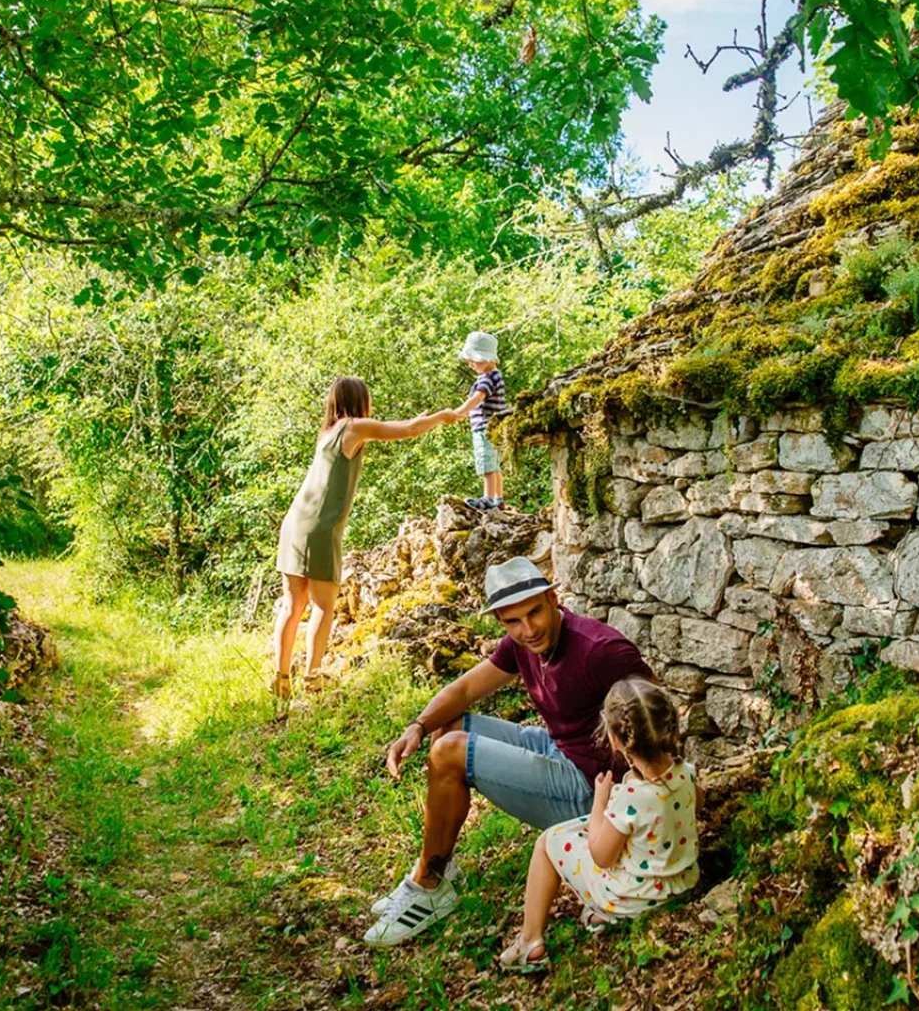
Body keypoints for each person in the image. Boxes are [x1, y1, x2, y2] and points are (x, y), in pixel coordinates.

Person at [364, 556, 654, 946]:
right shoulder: (521, 644)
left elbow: (656, 713)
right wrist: (417, 726)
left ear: (553, 599)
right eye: (512, 621)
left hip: (595, 791)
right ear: (500, 621)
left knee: (451, 750)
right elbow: (465, 690)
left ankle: (428, 889)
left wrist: (650, 801)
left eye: (534, 612)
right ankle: (438, 867)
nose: (528, 629)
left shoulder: (600, 651)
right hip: (560, 750)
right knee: (447, 725)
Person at [273, 377, 459, 700]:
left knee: (293, 605)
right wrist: (441, 416)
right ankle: (313, 680)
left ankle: (280, 679)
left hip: (294, 523)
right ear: (359, 401)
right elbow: (409, 429)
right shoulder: (353, 427)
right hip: (319, 527)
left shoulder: (328, 433)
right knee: (323, 606)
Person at [498, 677, 699, 972]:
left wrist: (600, 803)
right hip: (683, 882)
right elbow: (693, 809)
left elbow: (601, 856)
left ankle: (530, 942)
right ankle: (599, 916)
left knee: (549, 841)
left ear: (616, 740)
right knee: (585, 832)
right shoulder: (687, 773)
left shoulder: (630, 797)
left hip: (638, 898)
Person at [451, 331, 508, 512]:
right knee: (494, 464)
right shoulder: (492, 376)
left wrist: (458, 412)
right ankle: (498, 498)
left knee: (487, 464)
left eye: (473, 359)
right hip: (493, 427)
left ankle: (488, 498)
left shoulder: (489, 377)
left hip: (485, 427)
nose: (470, 364)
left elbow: (477, 398)